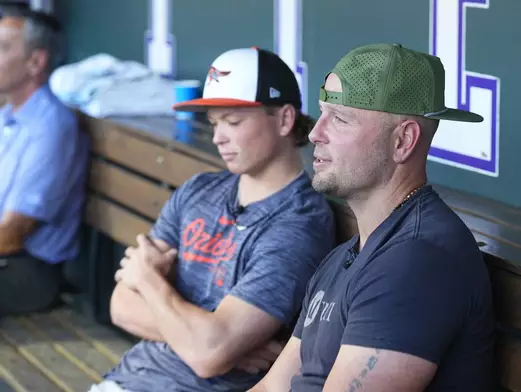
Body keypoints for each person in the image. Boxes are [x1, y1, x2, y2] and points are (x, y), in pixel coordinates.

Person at [249, 43, 496, 391]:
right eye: (322, 114)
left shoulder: (416, 262)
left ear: (403, 141)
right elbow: (271, 387)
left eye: (340, 118)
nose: (315, 133)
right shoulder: (347, 257)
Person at [90, 46, 337, 392]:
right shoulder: (199, 190)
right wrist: (211, 344)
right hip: (126, 379)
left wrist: (147, 278)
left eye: (233, 122)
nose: (218, 137)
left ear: (284, 119)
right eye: (215, 122)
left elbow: (208, 354)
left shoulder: (298, 223)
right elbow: (120, 305)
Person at [0, 6, 89, 315]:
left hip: (28, 273)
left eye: (3, 47)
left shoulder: (51, 127)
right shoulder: (7, 115)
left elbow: (12, 235)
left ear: (35, 62)